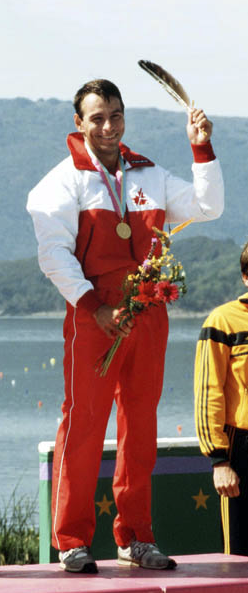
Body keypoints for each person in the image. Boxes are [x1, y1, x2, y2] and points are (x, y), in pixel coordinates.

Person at [27, 78, 224, 573]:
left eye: (115, 115)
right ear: (79, 123)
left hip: (148, 314)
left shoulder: (148, 174)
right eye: (97, 117)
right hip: (94, 315)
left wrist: (201, 146)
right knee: (85, 424)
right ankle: (72, 540)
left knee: (140, 428)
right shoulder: (61, 182)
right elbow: (54, 256)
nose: (108, 125)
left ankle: (135, 536)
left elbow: (208, 207)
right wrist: (94, 306)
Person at [194, 242, 248, 556]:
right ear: (244, 277)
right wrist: (220, 460)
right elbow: (208, 392)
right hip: (240, 446)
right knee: (240, 556)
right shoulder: (222, 321)